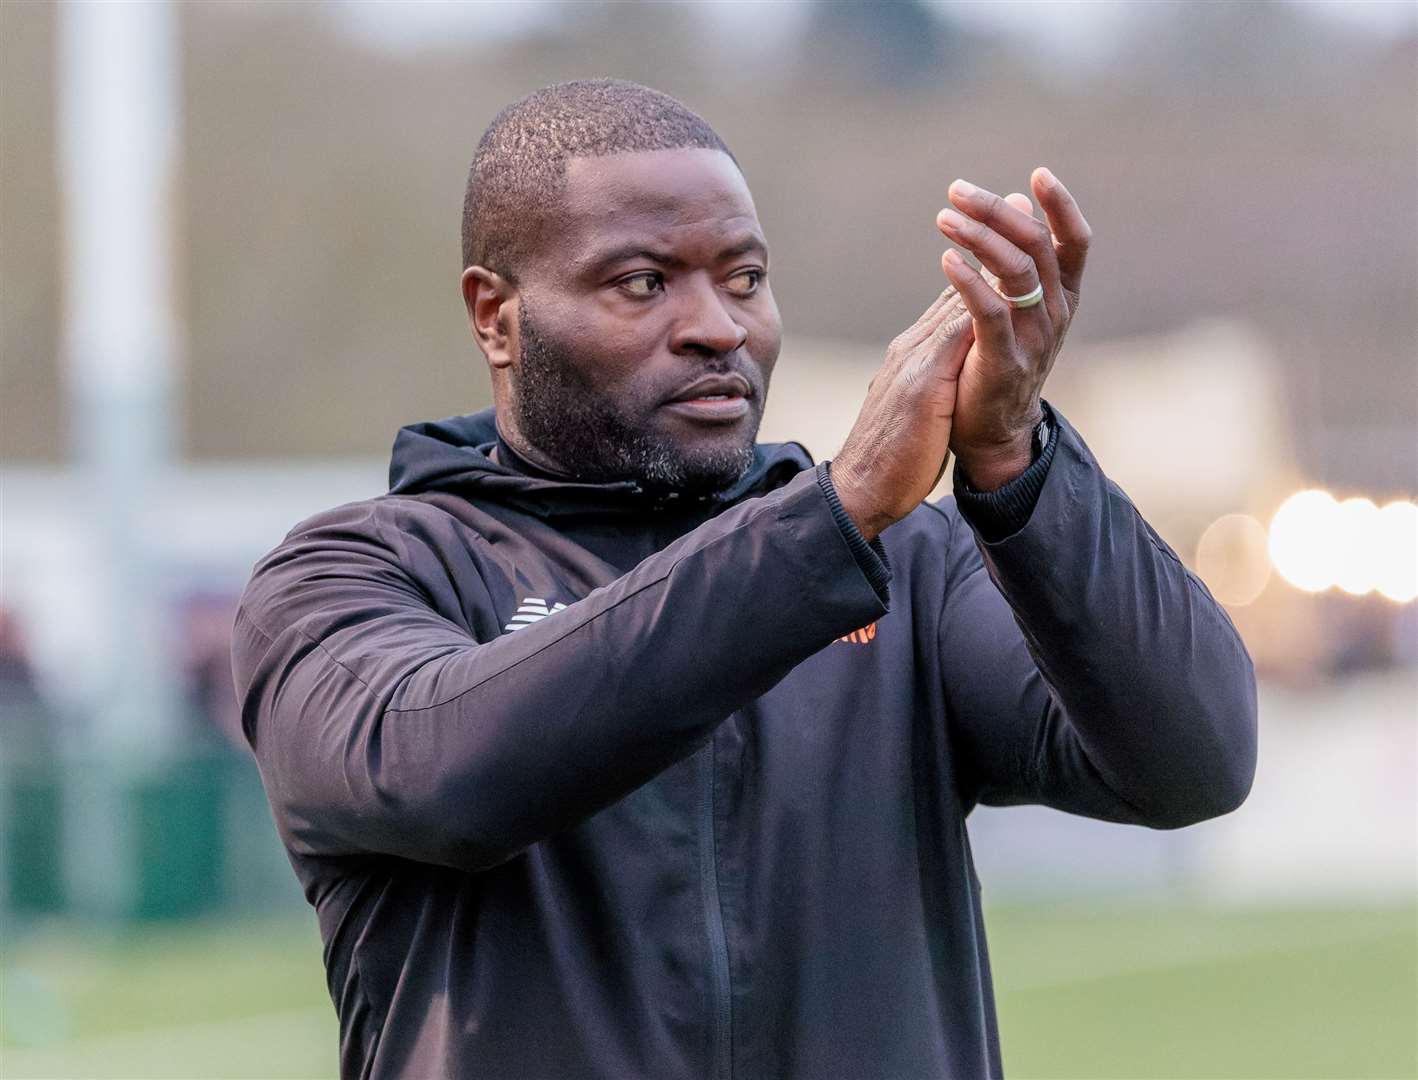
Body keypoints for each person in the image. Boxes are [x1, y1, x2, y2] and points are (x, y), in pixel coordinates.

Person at [231, 79, 1257, 1079]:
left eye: (744, 279)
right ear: (494, 316)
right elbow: (449, 778)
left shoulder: (911, 566)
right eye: (642, 283)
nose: (717, 328)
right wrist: (830, 517)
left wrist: (1016, 461)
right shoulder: (355, 575)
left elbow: (1193, 758)